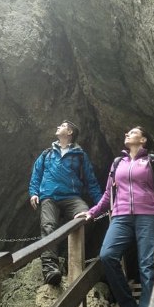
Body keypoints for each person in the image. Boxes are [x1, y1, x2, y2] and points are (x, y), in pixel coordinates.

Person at [75, 126, 154, 307]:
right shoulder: (117, 163)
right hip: (121, 217)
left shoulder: (153, 161)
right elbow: (109, 194)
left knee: (148, 267)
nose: (126, 133)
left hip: (149, 216)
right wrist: (92, 212)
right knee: (107, 256)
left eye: (132, 132)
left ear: (143, 139)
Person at [29, 120, 102, 285]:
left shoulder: (79, 155)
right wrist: (34, 193)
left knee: (85, 217)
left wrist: (101, 205)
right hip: (49, 196)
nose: (57, 127)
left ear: (70, 132)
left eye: (62, 125)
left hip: (71, 197)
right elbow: (37, 173)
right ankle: (50, 268)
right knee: (48, 225)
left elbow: (91, 182)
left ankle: (72, 261)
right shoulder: (47, 153)